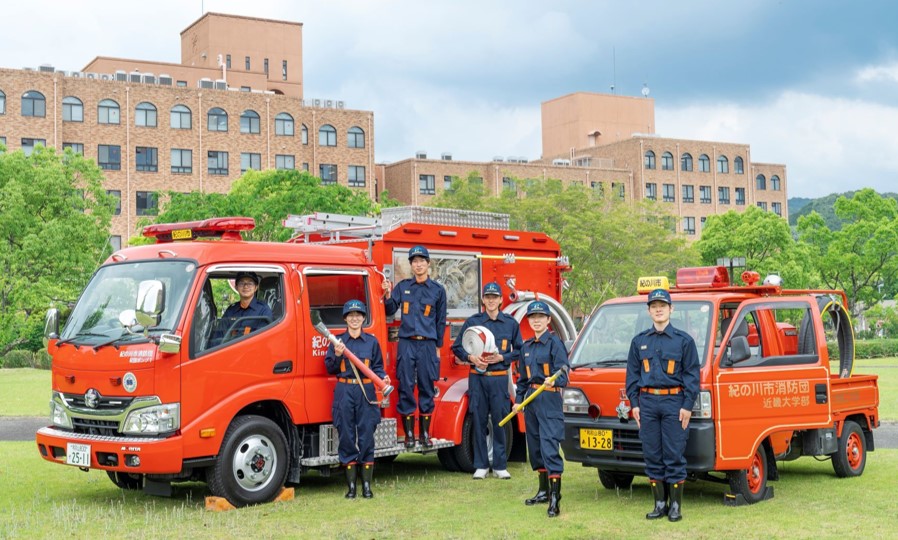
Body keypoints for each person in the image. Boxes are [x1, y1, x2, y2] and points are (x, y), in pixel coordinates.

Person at [625, 288, 700, 522]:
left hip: (674, 402)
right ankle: (659, 504)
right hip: (647, 403)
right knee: (652, 454)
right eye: (654, 306)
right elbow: (632, 376)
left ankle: (675, 506)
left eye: (662, 305)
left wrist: (687, 405)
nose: (658, 309)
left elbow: (692, 376)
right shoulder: (639, 342)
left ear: (671, 309)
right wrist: (634, 404)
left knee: (674, 454)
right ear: (648, 311)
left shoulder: (684, 341)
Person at [451, 282, 522, 480]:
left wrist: (503, 358)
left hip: (499, 379)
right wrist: (470, 358)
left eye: (495, 297)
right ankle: (481, 465)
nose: (491, 300)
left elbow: (520, 350)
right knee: (479, 420)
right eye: (488, 297)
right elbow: (457, 347)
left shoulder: (510, 323)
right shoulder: (473, 322)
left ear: (500, 300)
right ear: (483, 300)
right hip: (478, 378)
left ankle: (500, 466)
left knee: (500, 421)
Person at [382, 245, 447, 449]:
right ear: (411, 265)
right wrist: (386, 294)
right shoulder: (403, 287)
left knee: (427, 387)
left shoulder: (438, 290)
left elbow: (441, 320)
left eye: (421, 261)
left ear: (428, 264)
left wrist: (438, 347)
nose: (418, 265)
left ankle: (425, 435)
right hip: (407, 343)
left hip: (428, 344)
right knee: (406, 387)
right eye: (414, 261)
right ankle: (409, 435)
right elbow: (391, 309)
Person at [324, 299, 390, 499]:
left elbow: (377, 367)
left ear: (363, 318)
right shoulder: (338, 342)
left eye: (358, 315)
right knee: (346, 436)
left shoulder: (371, 342)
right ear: (345, 319)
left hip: (366, 391)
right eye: (351, 316)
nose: (355, 319)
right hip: (345, 390)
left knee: (366, 436)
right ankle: (351, 487)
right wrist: (336, 355)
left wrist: (383, 376)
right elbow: (330, 367)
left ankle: (367, 487)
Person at [513, 300, 570, 518]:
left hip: (549, 398)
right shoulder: (526, 347)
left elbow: (564, 372)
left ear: (548, 320)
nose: (536, 321)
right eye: (532, 317)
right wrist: (519, 400)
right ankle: (543, 491)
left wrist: (554, 382)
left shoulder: (555, 344)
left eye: (540, 317)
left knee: (548, 446)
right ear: (528, 321)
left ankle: (555, 498)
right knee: (535, 448)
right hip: (531, 401)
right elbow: (522, 379)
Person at [214, 272, 273, 343]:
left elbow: (262, 340)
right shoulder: (231, 310)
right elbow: (218, 337)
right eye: (241, 283)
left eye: (250, 283)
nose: (245, 286)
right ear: (236, 287)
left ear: (255, 288)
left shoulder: (263, 310)